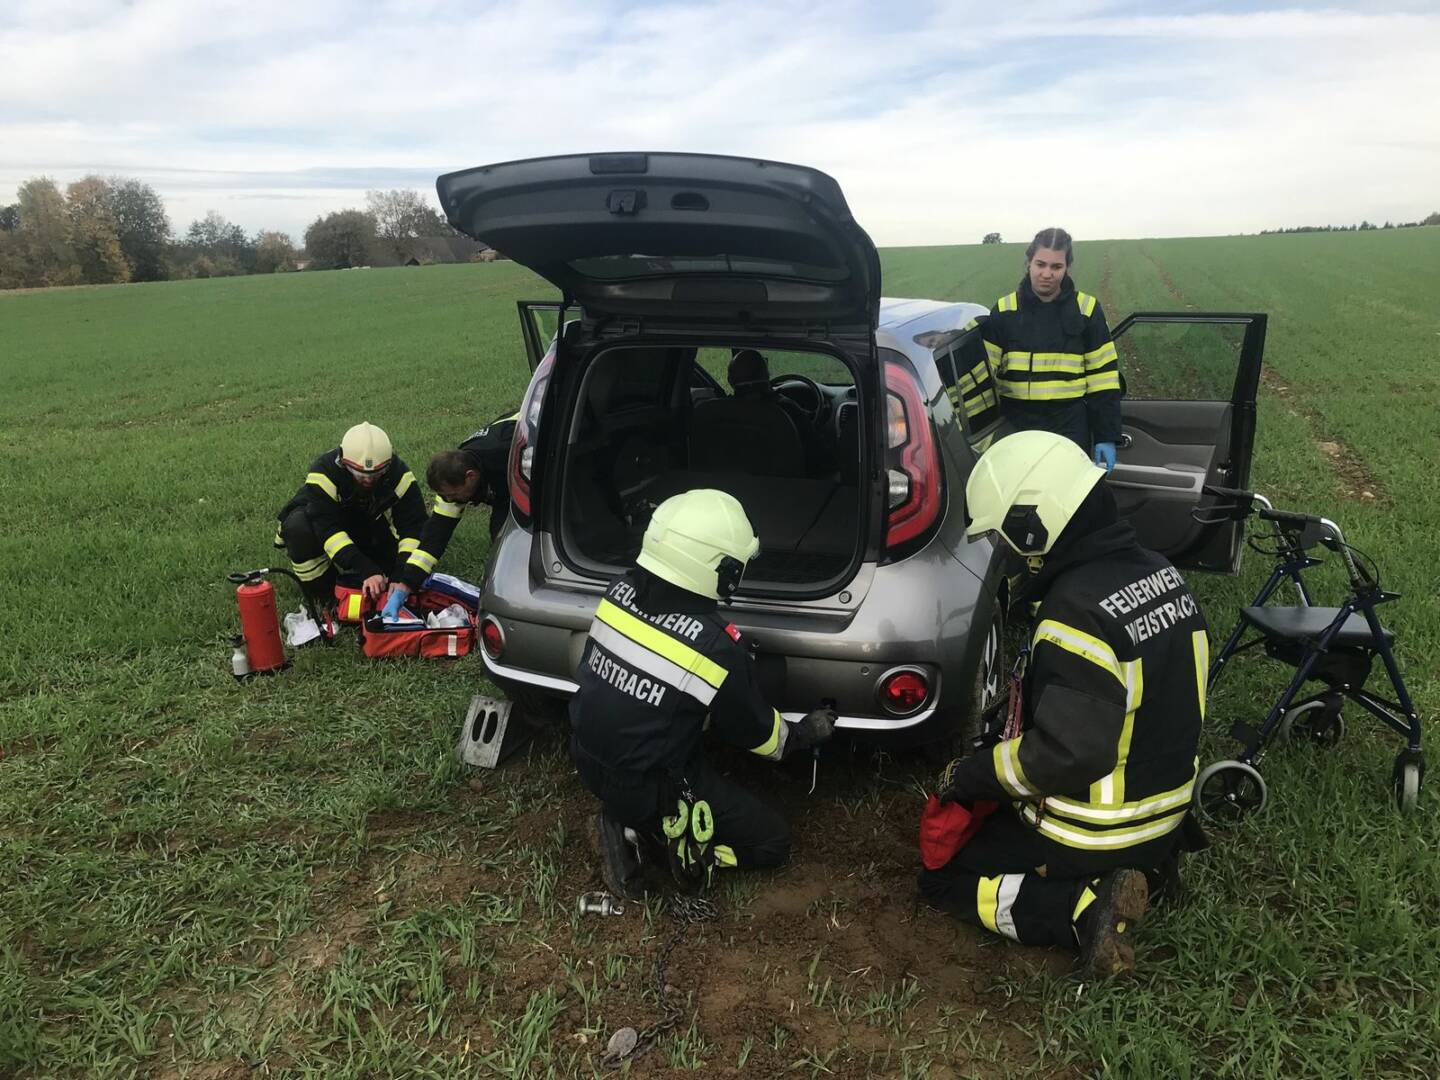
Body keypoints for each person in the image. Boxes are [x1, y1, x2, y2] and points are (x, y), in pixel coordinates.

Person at [918, 431, 1208, 978]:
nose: (1008, 554)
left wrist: (976, 774)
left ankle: (1080, 910)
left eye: (1008, 539)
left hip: (1092, 829)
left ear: (1035, 524)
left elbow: (1069, 754)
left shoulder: (1075, 614)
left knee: (944, 880)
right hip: (1168, 815)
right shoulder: (1164, 574)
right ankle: (1149, 867)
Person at [568, 487, 836, 898]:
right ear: (721, 569)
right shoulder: (714, 647)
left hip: (585, 758)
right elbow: (763, 739)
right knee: (772, 842)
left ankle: (623, 817)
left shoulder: (618, 591)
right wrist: (806, 733)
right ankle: (666, 847)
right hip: (649, 790)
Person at [971, 228, 1122, 471]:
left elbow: (1102, 379)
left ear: (1067, 268)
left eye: (1056, 267)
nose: (1047, 274)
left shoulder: (1088, 310)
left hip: (1070, 425)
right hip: (1015, 425)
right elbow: (982, 380)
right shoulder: (1004, 311)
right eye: (1040, 264)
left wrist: (1106, 434)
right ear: (1028, 262)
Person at [273, 421, 428, 612]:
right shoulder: (324, 471)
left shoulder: (398, 473)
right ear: (343, 462)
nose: (368, 479)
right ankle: (325, 595)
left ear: (387, 464)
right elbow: (327, 529)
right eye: (359, 473)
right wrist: (365, 569)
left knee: (392, 573)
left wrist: (401, 575)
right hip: (316, 523)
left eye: (377, 473)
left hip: (364, 520)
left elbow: (413, 526)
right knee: (298, 529)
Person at [382, 409, 519, 618]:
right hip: (504, 481)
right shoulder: (453, 474)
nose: (451, 501)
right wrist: (405, 585)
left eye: (454, 495)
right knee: (500, 537)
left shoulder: (504, 454)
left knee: (512, 533)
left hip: (538, 449)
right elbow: (434, 536)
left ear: (470, 477)